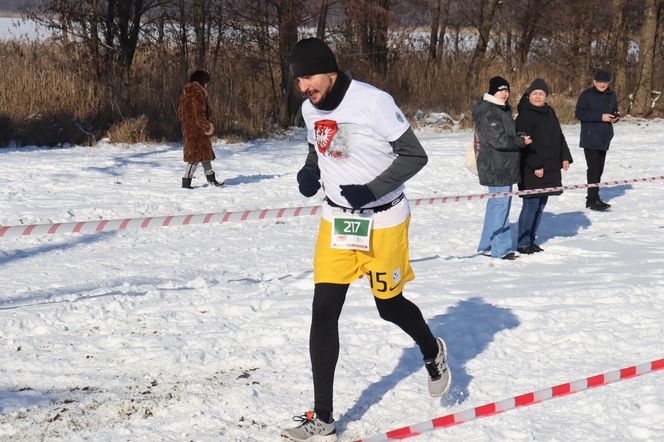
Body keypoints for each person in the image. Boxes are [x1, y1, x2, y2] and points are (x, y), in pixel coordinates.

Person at [281, 37, 450, 442]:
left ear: (330, 71)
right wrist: (310, 172)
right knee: (323, 311)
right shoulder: (310, 109)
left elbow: (415, 156)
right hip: (337, 221)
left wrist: (372, 190)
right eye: (298, 80)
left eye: (308, 77)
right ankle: (323, 418)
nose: (303, 87)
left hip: (384, 221)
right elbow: (320, 146)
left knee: (388, 306)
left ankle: (433, 351)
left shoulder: (372, 102)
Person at [473, 76, 532, 260]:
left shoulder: (501, 109)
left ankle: (487, 245)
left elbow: (504, 134)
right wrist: (520, 141)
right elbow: (498, 140)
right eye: (501, 91)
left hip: (503, 165)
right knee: (500, 206)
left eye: (507, 91)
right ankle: (501, 250)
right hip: (496, 166)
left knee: (495, 205)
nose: (504, 94)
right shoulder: (488, 111)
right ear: (492, 92)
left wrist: (518, 136)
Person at [515, 79, 573, 254]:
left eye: (541, 94)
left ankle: (531, 239)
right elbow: (523, 144)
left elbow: (559, 136)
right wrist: (536, 165)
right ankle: (523, 242)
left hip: (550, 166)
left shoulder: (550, 112)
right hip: (532, 168)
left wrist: (565, 157)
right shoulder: (524, 115)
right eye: (535, 94)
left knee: (541, 204)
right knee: (531, 204)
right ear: (529, 95)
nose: (538, 96)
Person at [575, 69, 619, 211]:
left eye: (605, 82)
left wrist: (615, 117)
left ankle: (593, 198)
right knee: (593, 169)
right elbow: (579, 114)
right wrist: (600, 117)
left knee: (599, 170)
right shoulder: (586, 95)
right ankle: (592, 200)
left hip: (604, 137)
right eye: (599, 82)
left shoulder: (612, 95)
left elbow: (614, 111)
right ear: (594, 82)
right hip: (590, 137)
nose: (602, 84)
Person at [177, 69, 224, 189]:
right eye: (206, 82)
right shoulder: (199, 94)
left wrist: (188, 124)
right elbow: (199, 114)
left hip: (190, 129)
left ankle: (212, 180)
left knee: (204, 155)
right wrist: (207, 127)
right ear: (202, 82)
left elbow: (180, 113)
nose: (207, 85)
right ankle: (186, 183)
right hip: (198, 131)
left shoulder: (186, 93)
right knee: (194, 158)